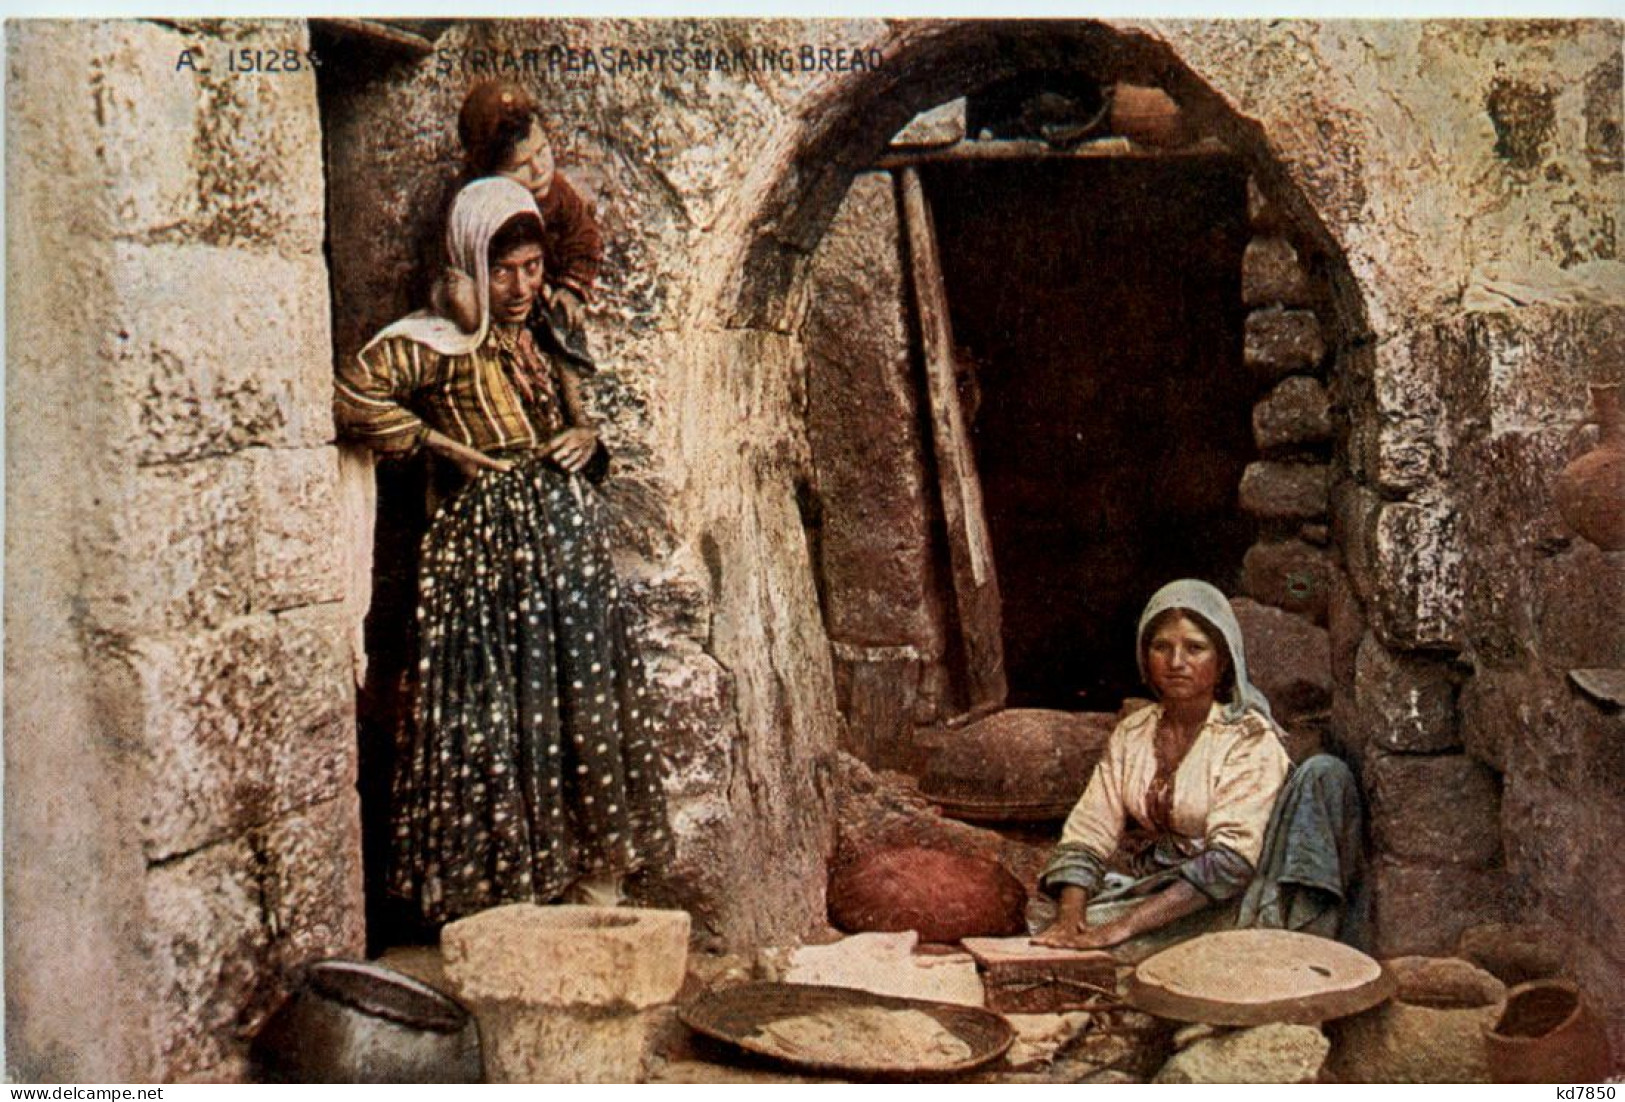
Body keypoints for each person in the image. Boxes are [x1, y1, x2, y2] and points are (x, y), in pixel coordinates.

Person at [336, 176, 669, 925]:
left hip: (564, 551)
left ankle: (589, 893)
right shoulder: (435, 342)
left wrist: (587, 439)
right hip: (482, 559)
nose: (520, 287)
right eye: (502, 270)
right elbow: (352, 397)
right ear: (465, 267)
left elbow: (578, 420)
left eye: (532, 268)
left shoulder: (541, 334)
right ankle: (504, 903)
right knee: (494, 716)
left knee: (574, 708)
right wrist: (437, 445)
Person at [1035, 579, 1368, 959]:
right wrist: (1070, 915)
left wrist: (1121, 927)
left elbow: (1232, 864)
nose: (1176, 663)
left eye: (1195, 648)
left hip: (1234, 889)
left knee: (1121, 941)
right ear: (1145, 657)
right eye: (1162, 647)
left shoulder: (1247, 737)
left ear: (1222, 660)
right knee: (1047, 917)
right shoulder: (1133, 732)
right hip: (1170, 885)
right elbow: (1090, 829)